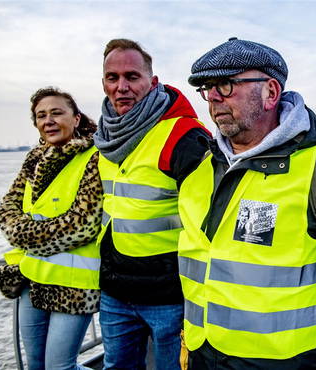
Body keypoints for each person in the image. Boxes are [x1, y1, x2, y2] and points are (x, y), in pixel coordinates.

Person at [181, 37, 316, 369]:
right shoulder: (201, 168)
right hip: (203, 355)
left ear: (271, 92)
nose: (215, 98)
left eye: (226, 84)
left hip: (286, 362)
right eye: (208, 88)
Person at [94, 38, 210, 369]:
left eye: (132, 77)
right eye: (112, 78)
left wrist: (196, 301)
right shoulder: (104, 138)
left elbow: (208, 225)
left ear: (152, 82)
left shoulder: (184, 136)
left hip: (170, 298)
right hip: (116, 293)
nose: (121, 87)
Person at [0, 87, 102, 369]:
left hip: (74, 284)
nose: (48, 120)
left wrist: (24, 234)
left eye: (56, 113)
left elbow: (83, 224)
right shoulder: (34, 160)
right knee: (36, 365)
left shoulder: (94, 157)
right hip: (33, 278)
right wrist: (27, 232)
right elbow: (7, 210)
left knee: (59, 367)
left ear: (76, 118)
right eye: (41, 115)